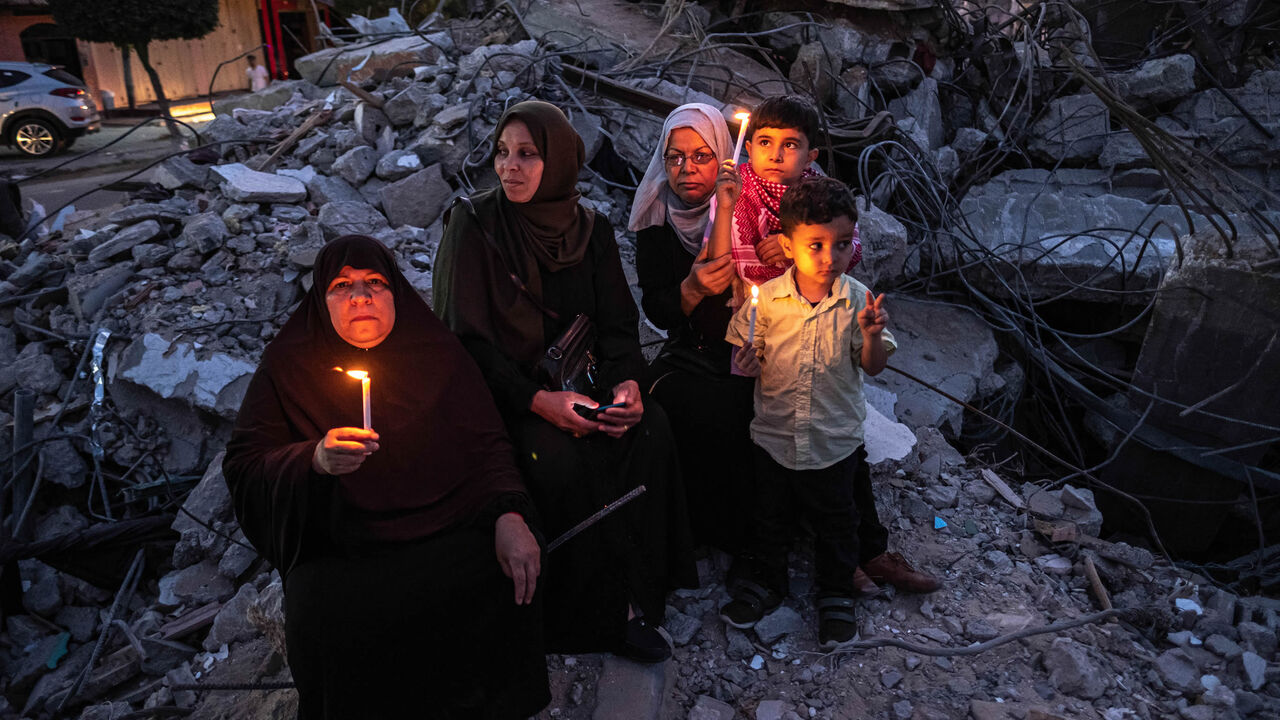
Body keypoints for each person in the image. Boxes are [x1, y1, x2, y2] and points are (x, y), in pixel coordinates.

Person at [223, 235, 549, 719]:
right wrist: (313, 459)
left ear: (396, 290)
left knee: (505, 569)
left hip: (445, 528)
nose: (360, 296)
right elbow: (246, 465)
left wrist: (509, 512)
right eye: (341, 285)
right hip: (343, 543)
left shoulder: (438, 352)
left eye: (375, 282)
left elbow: (488, 446)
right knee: (323, 612)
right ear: (320, 298)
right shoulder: (288, 365)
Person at [433, 100, 697, 663]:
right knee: (557, 458)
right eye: (503, 154)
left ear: (558, 162)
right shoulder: (474, 225)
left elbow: (619, 326)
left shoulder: (591, 229)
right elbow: (464, 344)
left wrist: (628, 386)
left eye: (528, 155)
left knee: (652, 428)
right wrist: (536, 400)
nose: (510, 168)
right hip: (505, 398)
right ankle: (600, 612)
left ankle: (644, 582)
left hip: (583, 383)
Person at [711, 95, 938, 598]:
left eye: (790, 145)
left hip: (824, 315)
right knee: (778, 448)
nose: (773, 154)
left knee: (839, 439)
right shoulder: (738, 190)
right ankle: (822, 557)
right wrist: (775, 253)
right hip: (760, 325)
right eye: (763, 143)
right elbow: (734, 261)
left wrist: (801, 252)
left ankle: (860, 553)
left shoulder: (821, 194)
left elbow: (848, 246)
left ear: (811, 155)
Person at [631, 103, 755, 555]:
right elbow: (658, 310)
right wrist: (690, 288)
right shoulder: (656, 216)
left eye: (702, 156)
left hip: (753, 351)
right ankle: (691, 534)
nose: (686, 170)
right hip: (692, 351)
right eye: (675, 157)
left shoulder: (747, 202)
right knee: (663, 409)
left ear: (723, 152)